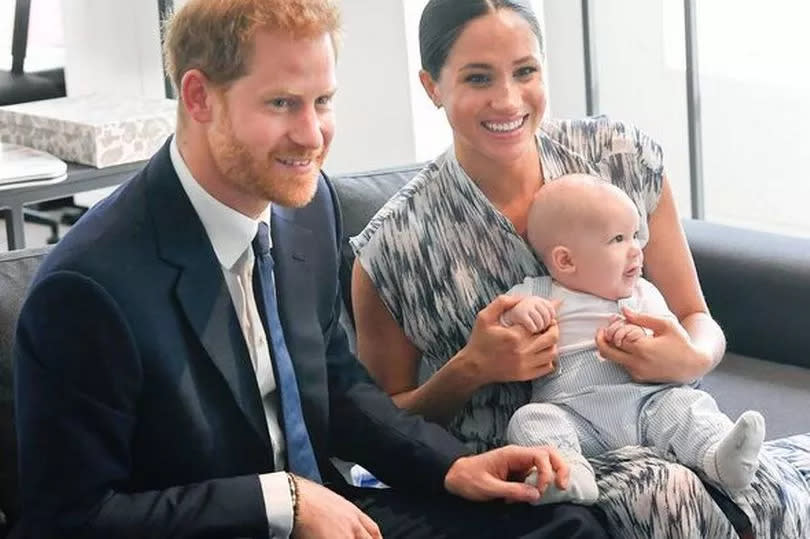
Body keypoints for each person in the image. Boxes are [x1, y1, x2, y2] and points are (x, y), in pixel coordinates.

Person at [12, 0, 612, 537]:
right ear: (198, 98)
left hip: (334, 508)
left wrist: (450, 465)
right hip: (235, 523)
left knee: (565, 523)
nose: (311, 134)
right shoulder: (88, 288)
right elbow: (69, 519)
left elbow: (336, 383)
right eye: (281, 103)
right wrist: (281, 501)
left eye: (322, 101)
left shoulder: (305, 208)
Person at [348, 0, 760, 535]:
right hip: (535, 474)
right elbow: (382, 431)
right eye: (478, 78)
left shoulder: (620, 158)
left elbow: (695, 314)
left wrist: (690, 357)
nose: (508, 99)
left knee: (761, 482)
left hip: (668, 422)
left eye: (526, 71)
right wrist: (472, 367)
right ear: (432, 87)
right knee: (668, 493)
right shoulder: (393, 248)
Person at [498, 174, 764, 505]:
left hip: (647, 407)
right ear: (565, 261)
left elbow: (672, 342)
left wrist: (642, 339)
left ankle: (720, 457)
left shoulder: (643, 294)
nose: (636, 249)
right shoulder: (539, 293)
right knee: (530, 420)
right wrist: (521, 314)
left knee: (685, 407)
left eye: (636, 235)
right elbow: (499, 319)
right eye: (618, 239)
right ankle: (569, 474)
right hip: (574, 415)